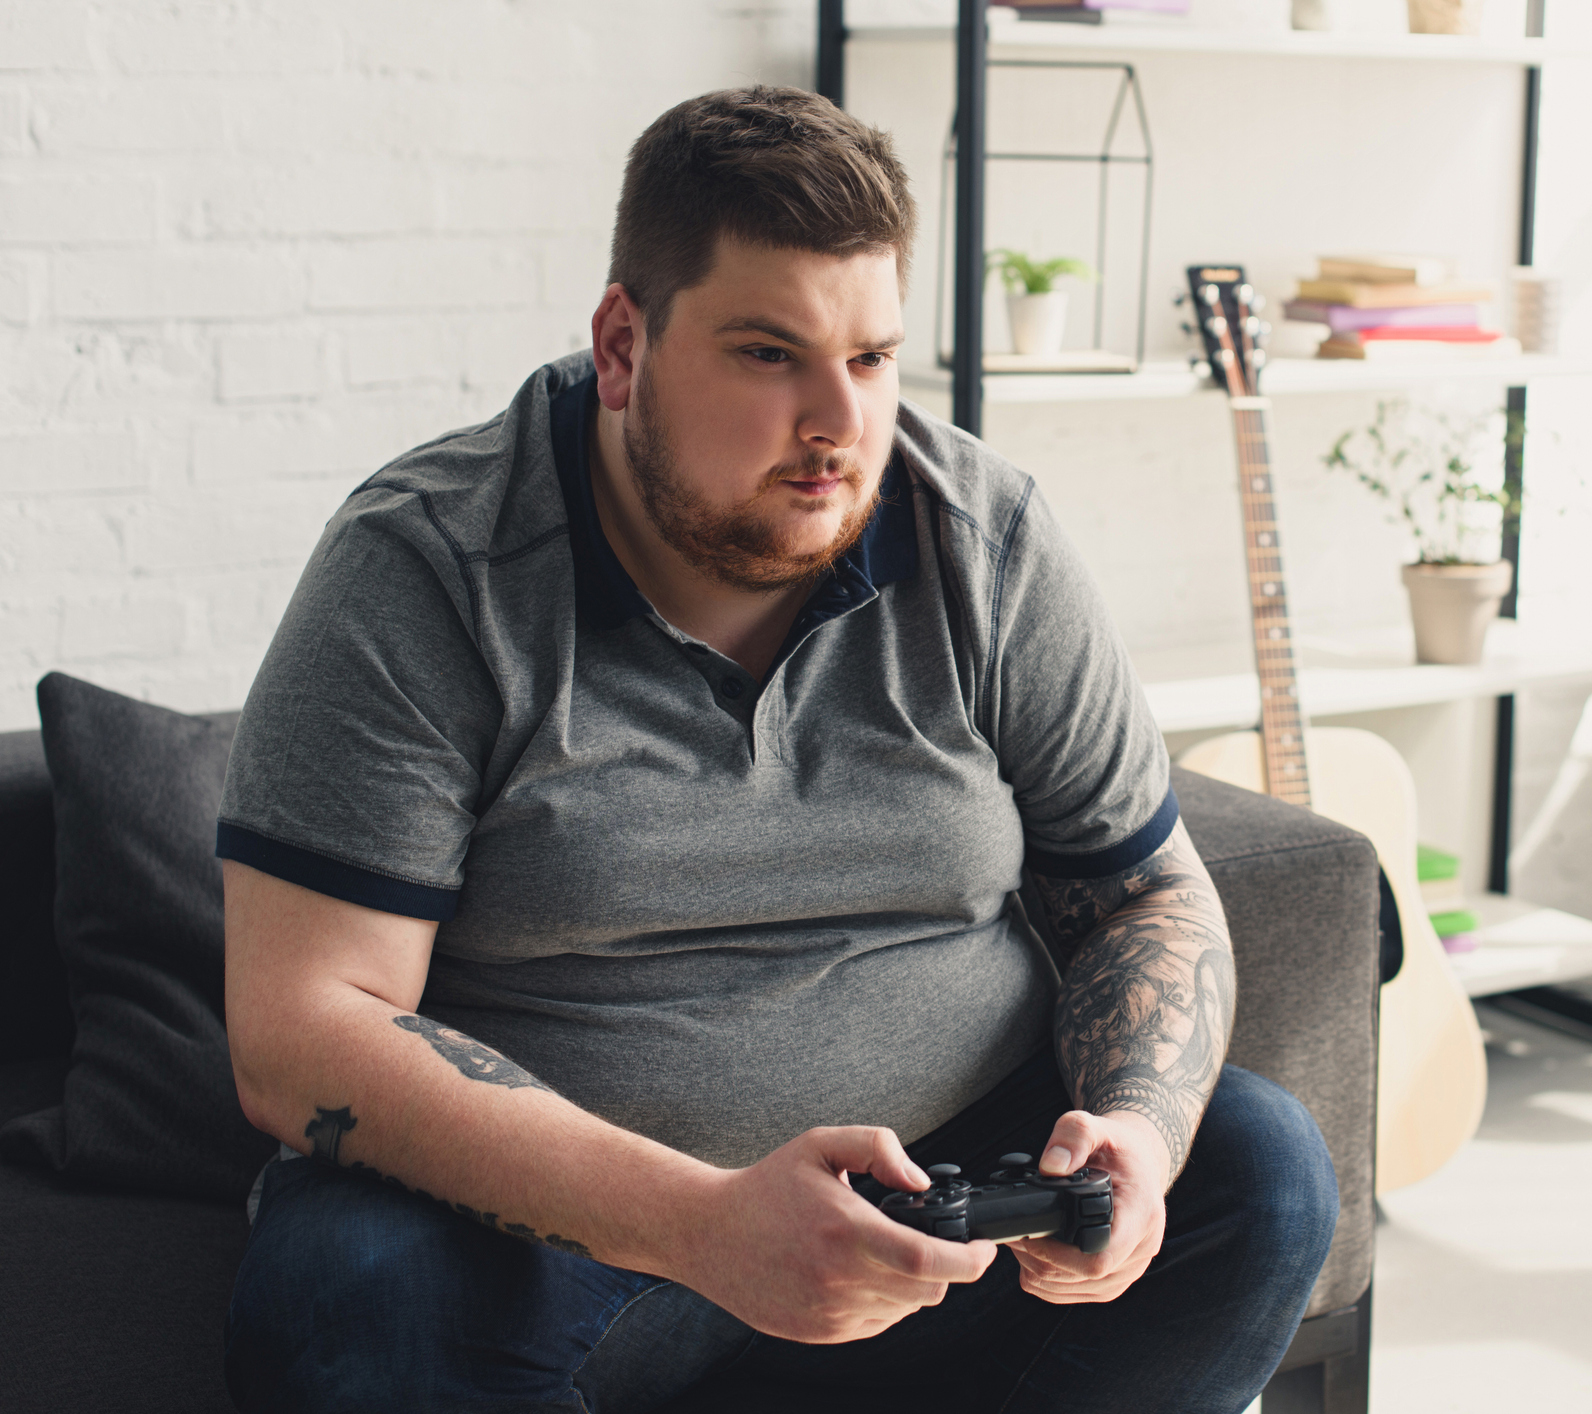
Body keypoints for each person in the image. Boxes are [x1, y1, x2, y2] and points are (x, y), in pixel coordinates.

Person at [217, 85, 1336, 1413]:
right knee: (346, 1297)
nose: (839, 424)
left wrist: (1137, 1136)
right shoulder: (430, 568)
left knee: (1260, 1169)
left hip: (950, 1188)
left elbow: (1148, 888)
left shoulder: (984, 535)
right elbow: (300, 1031)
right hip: (560, 1219)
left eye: (870, 357)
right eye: (769, 354)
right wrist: (701, 1222)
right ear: (624, 346)